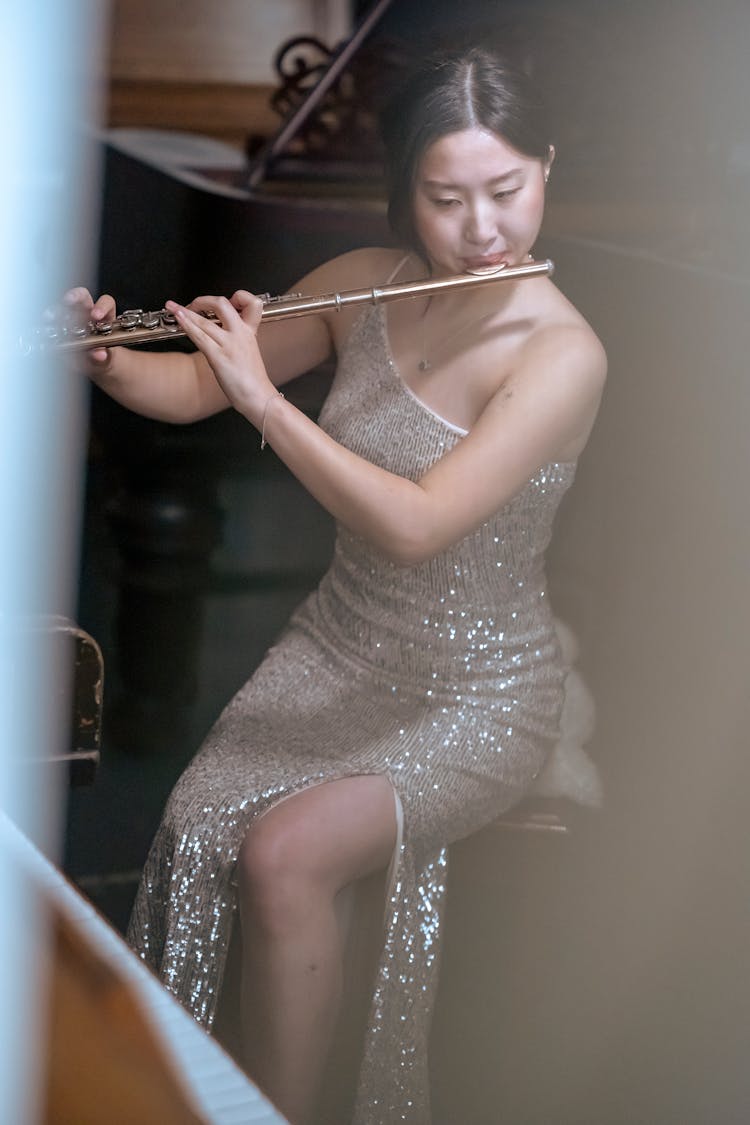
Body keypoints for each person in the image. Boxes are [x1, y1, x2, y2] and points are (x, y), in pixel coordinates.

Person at [70, 45, 606, 1125]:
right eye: (446, 198)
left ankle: (276, 1110)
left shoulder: (560, 356)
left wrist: (266, 402)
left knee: (284, 856)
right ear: (406, 190)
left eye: (507, 190)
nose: (483, 228)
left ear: (546, 165)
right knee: (199, 812)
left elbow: (416, 527)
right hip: (340, 647)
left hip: (476, 692)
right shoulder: (372, 280)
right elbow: (189, 390)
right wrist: (105, 358)